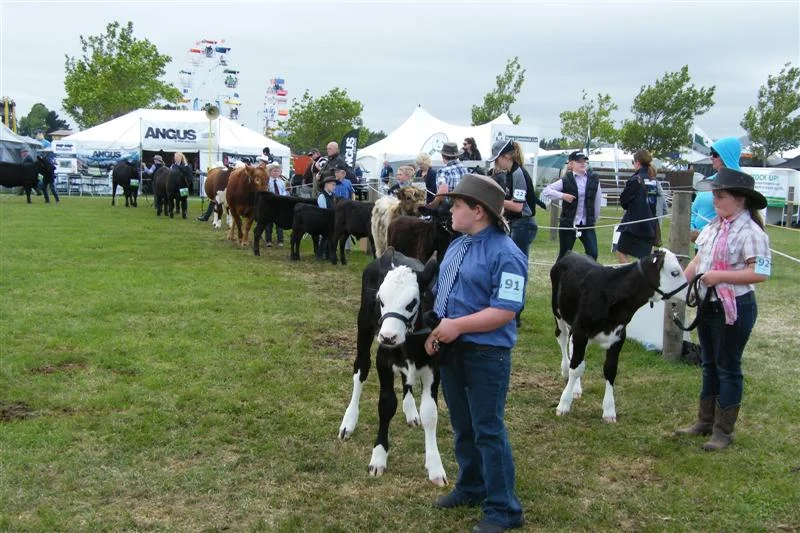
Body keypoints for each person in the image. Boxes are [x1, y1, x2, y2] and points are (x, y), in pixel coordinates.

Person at [425, 173, 526, 533]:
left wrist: (458, 326)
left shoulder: (507, 254)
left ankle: (503, 508)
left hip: (486, 355)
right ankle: (471, 485)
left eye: (457, 205)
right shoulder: (458, 244)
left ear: (479, 211)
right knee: (462, 424)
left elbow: (506, 310)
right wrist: (436, 330)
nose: (450, 210)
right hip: (453, 349)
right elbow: (444, 292)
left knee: (488, 429)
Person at [675, 167, 770, 451]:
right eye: (714, 194)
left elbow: (760, 273)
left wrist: (720, 276)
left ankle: (723, 431)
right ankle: (705, 421)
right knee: (709, 364)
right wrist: (679, 285)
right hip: (708, 305)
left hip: (736, 307)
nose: (715, 200)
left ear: (739, 199)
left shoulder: (752, 232)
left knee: (728, 367)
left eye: (720, 195)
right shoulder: (713, 227)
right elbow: (698, 261)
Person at [542, 151, 602, 261]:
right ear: (571, 164)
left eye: (584, 160)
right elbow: (546, 191)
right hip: (568, 223)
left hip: (587, 224)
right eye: (579, 161)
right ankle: (557, 276)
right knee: (564, 255)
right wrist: (563, 196)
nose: (582, 163)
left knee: (593, 253)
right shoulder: (566, 180)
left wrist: (595, 218)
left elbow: (598, 200)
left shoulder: (594, 179)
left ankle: (586, 274)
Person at [691, 137, 742, 243]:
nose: (711, 157)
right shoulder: (707, 182)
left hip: (723, 244)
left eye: (714, 154)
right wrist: (692, 229)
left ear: (726, 156)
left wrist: (704, 233)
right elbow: (694, 210)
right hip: (701, 244)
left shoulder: (740, 183)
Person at [616, 149, 658, 262]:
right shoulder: (653, 180)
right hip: (650, 226)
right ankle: (642, 278)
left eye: (633, 162)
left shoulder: (636, 179)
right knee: (645, 259)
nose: (633, 165)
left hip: (634, 226)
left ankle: (630, 277)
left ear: (638, 162)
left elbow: (624, 202)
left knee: (620, 250)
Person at [428, 141, 467, 209]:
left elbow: (443, 191)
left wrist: (434, 204)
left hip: (448, 209)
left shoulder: (443, 171)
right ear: (456, 156)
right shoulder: (464, 168)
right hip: (464, 207)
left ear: (443, 155)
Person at [265, 163, 288, 247]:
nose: (276, 173)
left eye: (278, 171)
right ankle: (268, 240)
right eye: (274, 171)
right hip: (270, 205)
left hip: (279, 205)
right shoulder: (267, 181)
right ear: (270, 172)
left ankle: (280, 240)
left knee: (279, 224)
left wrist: (283, 195)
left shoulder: (281, 182)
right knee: (268, 224)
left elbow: (284, 191)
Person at [317, 176, 337, 260]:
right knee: (325, 237)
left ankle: (329, 254)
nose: (334, 187)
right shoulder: (322, 196)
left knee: (331, 238)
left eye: (334, 185)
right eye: (332, 185)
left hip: (332, 220)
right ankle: (320, 255)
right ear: (326, 185)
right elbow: (323, 210)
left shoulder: (333, 196)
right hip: (323, 221)